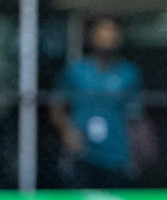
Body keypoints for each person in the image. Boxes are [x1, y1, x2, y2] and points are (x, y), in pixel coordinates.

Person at [49, 15, 146, 189]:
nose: (106, 39)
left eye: (111, 34)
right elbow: (56, 107)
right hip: (82, 153)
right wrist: (67, 131)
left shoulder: (129, 73)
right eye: (102, 33)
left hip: (117, 155)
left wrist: (139, 151)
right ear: (91, 36)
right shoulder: (76, 70)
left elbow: (135, 116)